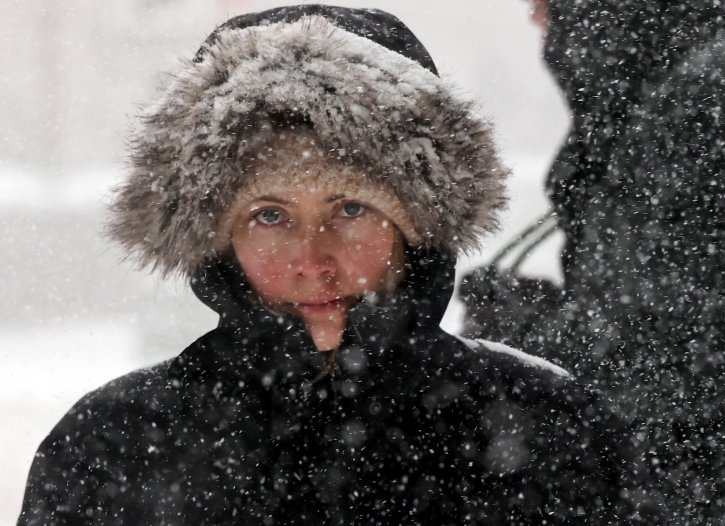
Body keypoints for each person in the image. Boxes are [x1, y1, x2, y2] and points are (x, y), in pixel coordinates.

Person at [16, 6, 636, 524]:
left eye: (351, 209)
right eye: (269, 216)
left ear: (417, 228)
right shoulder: (114, 445)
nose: (312, 261)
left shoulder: (549, 430)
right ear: (215, 239)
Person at [464, 0, 725, 523]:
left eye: (544, 2)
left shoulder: (704, 105)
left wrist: (512, 339)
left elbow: (651, 361)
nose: (535, 19)